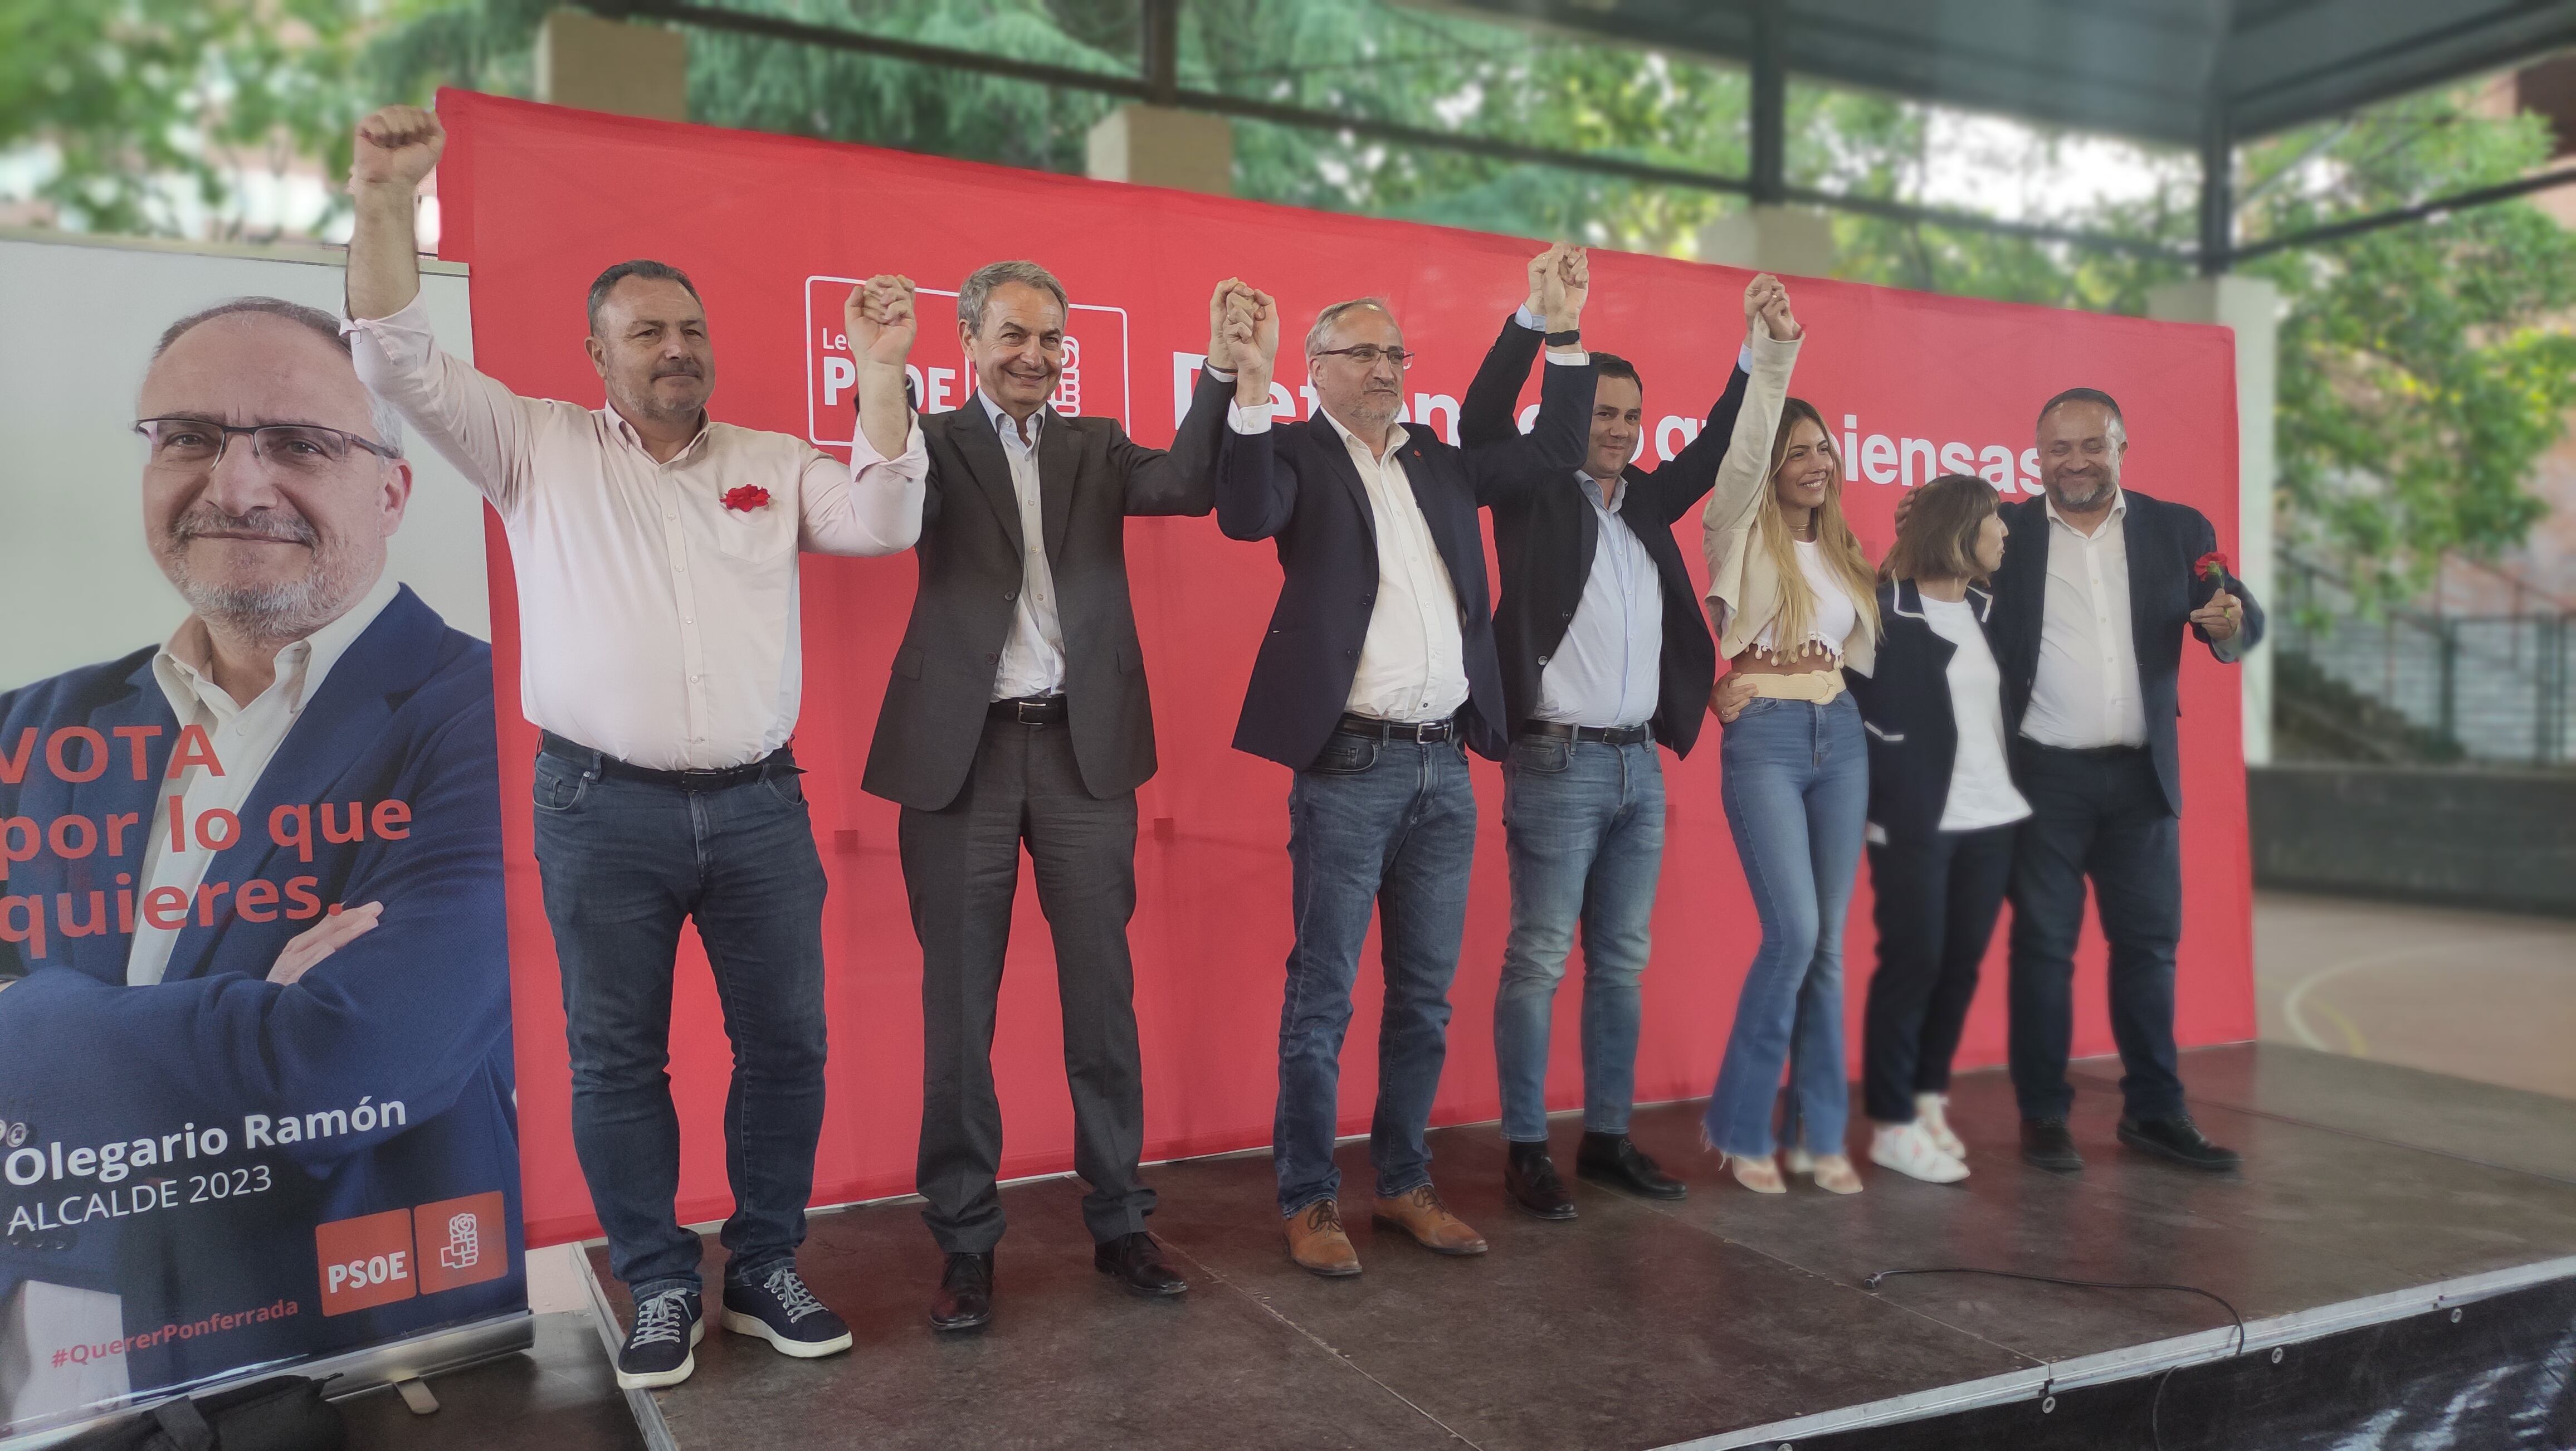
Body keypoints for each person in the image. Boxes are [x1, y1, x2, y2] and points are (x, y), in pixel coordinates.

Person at [341, 105, 928, 1390]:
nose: (677, 350)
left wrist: (879, 368)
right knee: (618, 1057)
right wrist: (386, 203)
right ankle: (659, 1281)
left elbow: (885, 521)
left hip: (762, 810)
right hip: (601, 810)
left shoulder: (770, 459)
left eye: (691, 330)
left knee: (787, 1047)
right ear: (597, 350)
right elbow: (389, 358)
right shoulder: (531, 446)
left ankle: (767, 1264)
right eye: (648, 331)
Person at [0, 296, 518, 1419]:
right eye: (188, 437)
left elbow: (349, 1062)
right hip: (58, 1383)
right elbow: (283, 1049)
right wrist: (254, 1011)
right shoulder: (29, 728)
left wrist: (33, 1020)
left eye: (300, 443)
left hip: (362, 1369)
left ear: (391, 489)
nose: (234, 486)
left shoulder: (503, 717)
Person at [852, 262, 1236, 1332]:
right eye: (1014, 335)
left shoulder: (1096, 446)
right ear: (969, 336)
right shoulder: (926, 440)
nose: (1035, 355)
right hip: (958, 757)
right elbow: (873, 453)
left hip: (1083, 751)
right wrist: (877, 367)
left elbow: (1192, 487)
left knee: (1101, 1004)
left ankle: (1119, 1221)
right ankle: (966, 1242)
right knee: (958, 1013)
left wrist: (1212, 370)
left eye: (1051, 339)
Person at [1213, 264, 1592, 1276]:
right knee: (1324, 996)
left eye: (1395, 353)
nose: (1385, 368)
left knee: (1423, 995)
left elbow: (1554, 445)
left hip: (1443, 766)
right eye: (1363, 353)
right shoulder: (1291, 448)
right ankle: (1307, 1197)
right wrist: (1247, 386)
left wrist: (1547, 329)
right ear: (1316, 368)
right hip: (1347, 764)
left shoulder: (1436, 460)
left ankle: (1403, 1179)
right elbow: (1244, 516)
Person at [1456, 245, 1756, 1219]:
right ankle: (1524, 1148)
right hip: (1555, 763)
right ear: (1569, 413)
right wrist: (1539, 325)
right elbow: (1481, 422)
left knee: (1619, 958)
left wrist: (1758, 354)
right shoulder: (1533, 493)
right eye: (1600, 412)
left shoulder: (1649, 506)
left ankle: (1610, 1137)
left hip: (1638, 767)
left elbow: (1714, 445)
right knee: (1540, 955)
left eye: (1630, 415)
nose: (1617, 429)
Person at [1973, 389, 2260, 1175]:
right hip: (2041, 782)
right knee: (2043, 952)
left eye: (2091, 446)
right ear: (2036, 457)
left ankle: (2156, 1113)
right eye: (2059, 448)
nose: (2075, 462)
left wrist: (2231, 627)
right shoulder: (2003, 530)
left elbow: (2237, 616)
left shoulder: (2180, 529)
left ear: (2122, 447)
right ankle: (2043, 1115)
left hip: (2142, 783)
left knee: (2148, 949)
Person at [1700, 276, 1880, 1197]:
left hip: (1838, 737)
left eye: (1822, 449)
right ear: (1769, 464)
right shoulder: (1735, 530)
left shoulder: (1845, 553)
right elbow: (1738, 453)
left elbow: (1873, 660)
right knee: (1794, 931)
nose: (1814, 460)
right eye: (1795, 450)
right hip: (1765, 737)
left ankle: (1817, 1131)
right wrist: (1773, 348)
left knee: (1829, 946)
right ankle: (1738, 1127)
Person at [1845, 474, 2028, 1185]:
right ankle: (1892, 1123)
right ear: (1960, 530)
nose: (2005, 534)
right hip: (1916, 821)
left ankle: (1925, 1101)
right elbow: (1847, 713)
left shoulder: (1992, 610)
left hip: (1994, 819)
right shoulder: (1881, 612)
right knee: (1912, 964)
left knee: (1959, 969)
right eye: (1994, 522)